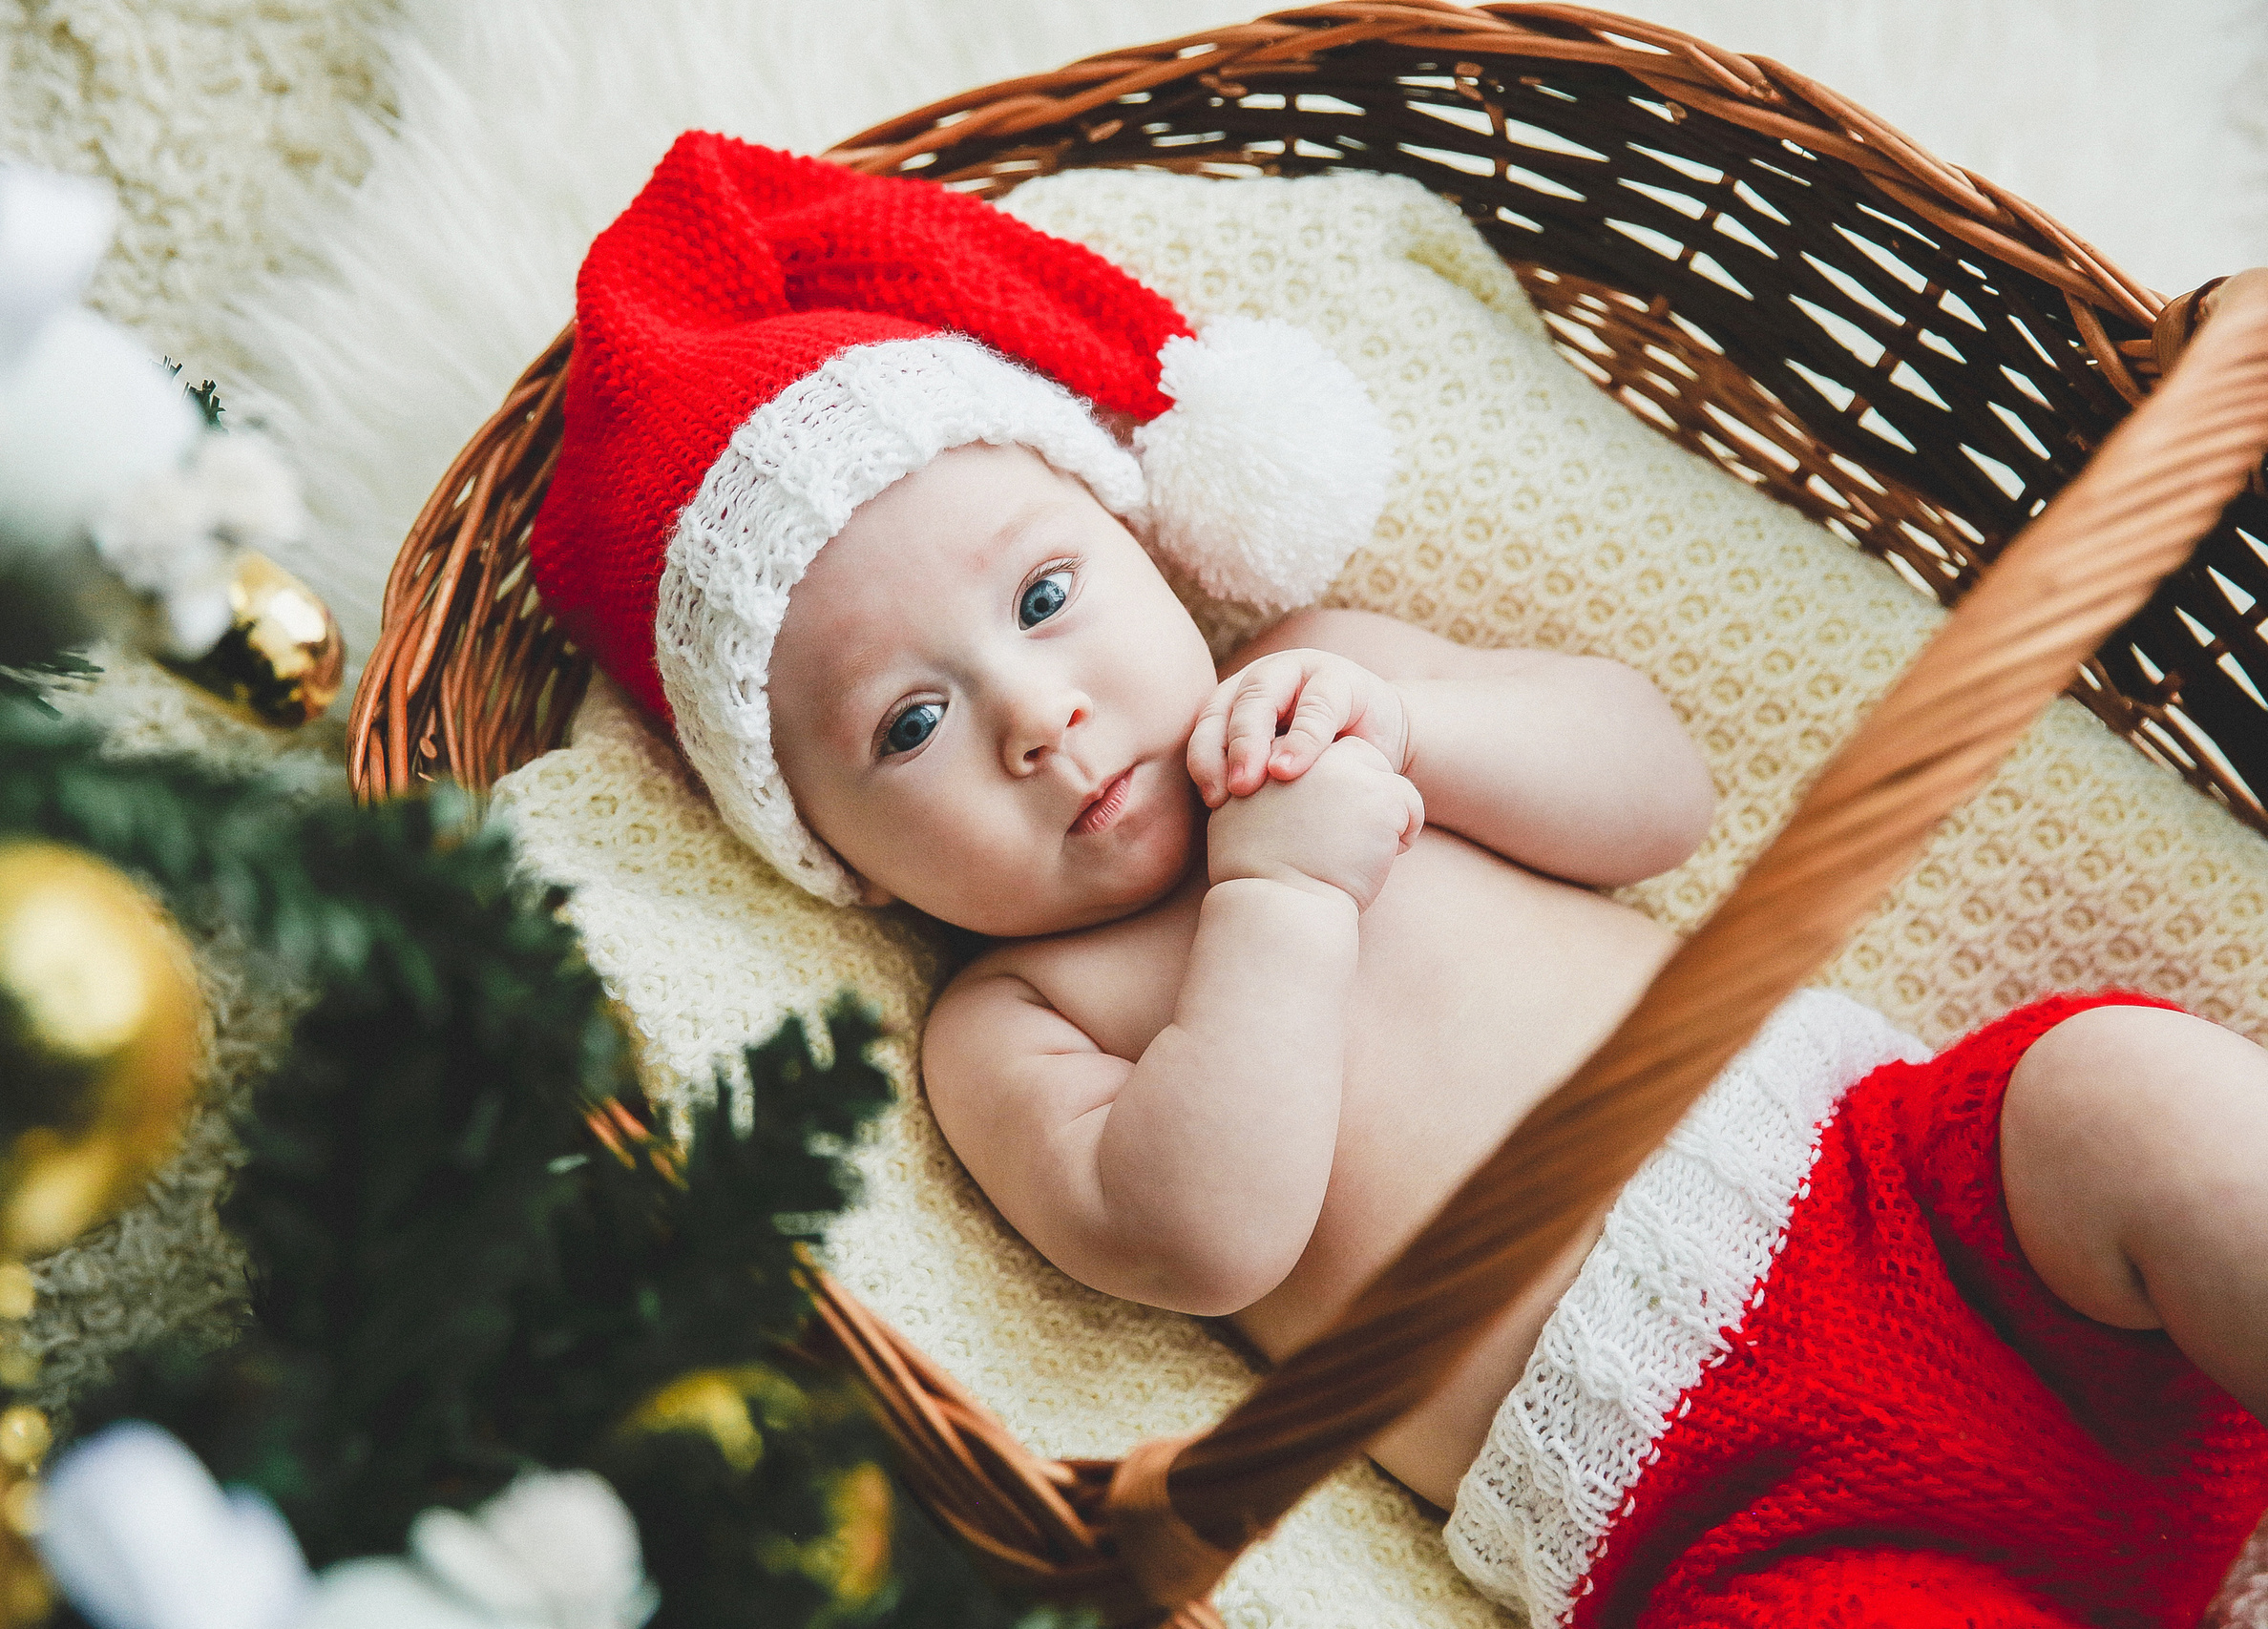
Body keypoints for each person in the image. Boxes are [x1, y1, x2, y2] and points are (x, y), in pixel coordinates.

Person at [523, 131, 2268, 1627]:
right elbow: (1202, 1235)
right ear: (821, 846)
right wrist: (1277, 906)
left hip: (1919, 1192)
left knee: (2123, 1093)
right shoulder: (1013, 1023)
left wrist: (1417, 722)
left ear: (1144, 539)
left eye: (1045, 598)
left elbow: (1658, 796)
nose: (1038, 720)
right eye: (910, 725)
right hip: (1716, 1513)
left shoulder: (1334, 674)